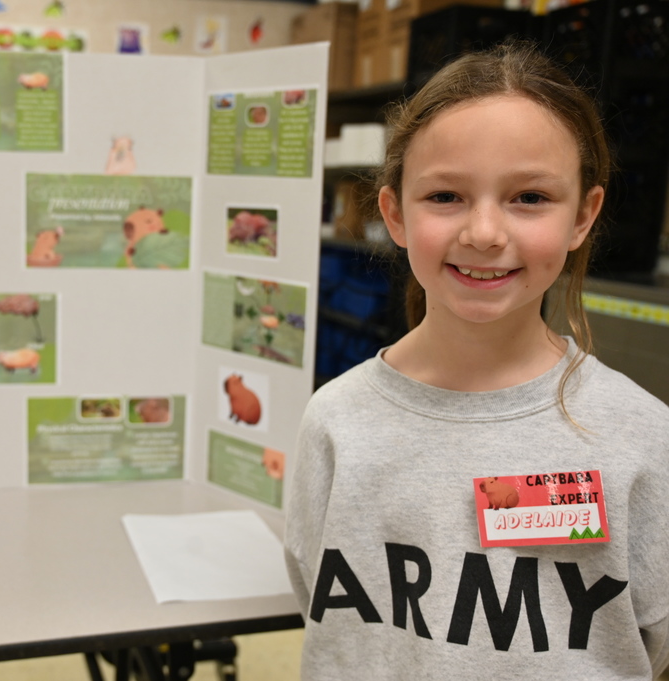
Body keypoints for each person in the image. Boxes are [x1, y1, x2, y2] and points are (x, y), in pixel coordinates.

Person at [284, 41, 669, 679]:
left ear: (583, 216)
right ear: (394, 213)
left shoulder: (642, 437)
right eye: (445, 197)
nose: (485, 233)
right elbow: (320, 602)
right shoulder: (336, 421)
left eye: (530, 198)